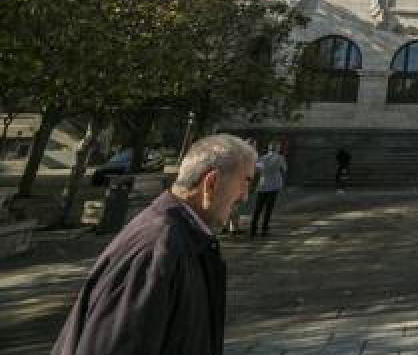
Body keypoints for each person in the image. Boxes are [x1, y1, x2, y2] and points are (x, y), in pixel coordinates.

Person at [51, 134, 256, 355]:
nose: (245, 196)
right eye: (246, 180)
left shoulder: (180, 239)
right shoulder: (157, 249)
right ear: (211, 183)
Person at [250, 142, 287, 238]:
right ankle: (264, 230)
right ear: (277, 149)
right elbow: (284, 169)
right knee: (268, 209)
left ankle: (253, 229)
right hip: (274, 186)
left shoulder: (262, 158)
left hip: (262, 185)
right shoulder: (280, 158)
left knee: (258, 209)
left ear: (269, 149)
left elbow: (257, 170)